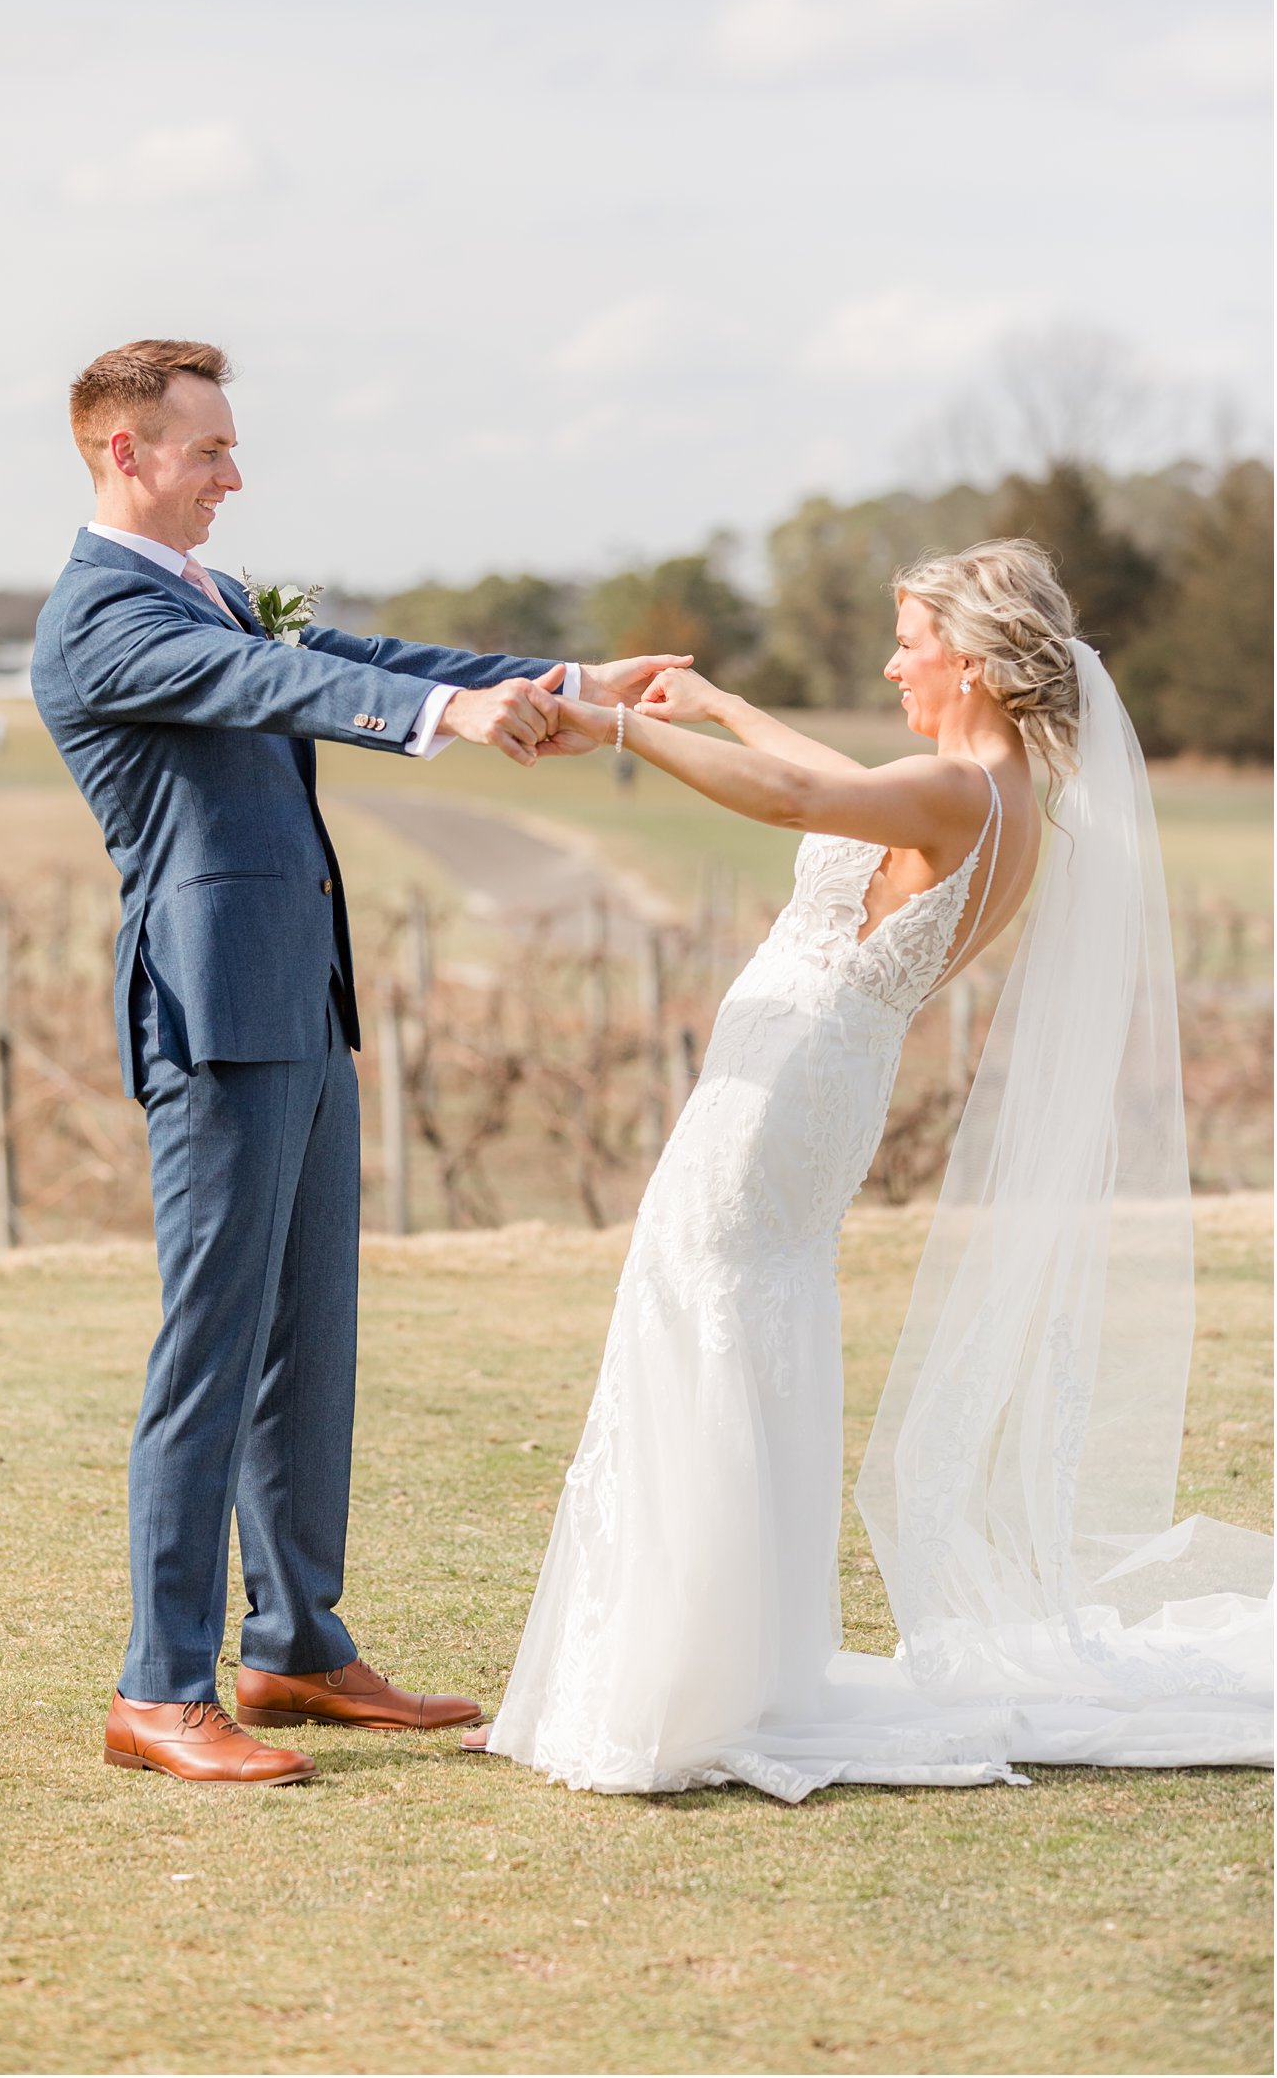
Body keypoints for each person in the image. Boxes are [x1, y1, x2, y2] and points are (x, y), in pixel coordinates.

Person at [464, 538, 1272, 1799]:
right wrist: (723, 706)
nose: (891, 663)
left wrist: (617, 730)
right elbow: (829, 779)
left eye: (908, 643)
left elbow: (792, 802)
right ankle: (717, 1663)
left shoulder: (958, 793)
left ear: (971, 659)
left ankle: (684, 1681)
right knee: (734, 1322)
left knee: (704, 1318)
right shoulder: (983, 790)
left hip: (779, 1096)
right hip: (817, 1085)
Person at [31, 339, 686, 1783]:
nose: (233, 472)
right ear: (125, 454)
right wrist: (448, 721)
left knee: (310, 1339)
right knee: (209, 1348)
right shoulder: (99, 618)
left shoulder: (201, 590)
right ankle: (157, 1686)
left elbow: (352, 660)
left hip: (304, 1005)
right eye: (209, 449)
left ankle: (297, 1647)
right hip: (213, 1017)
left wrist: (565, 680)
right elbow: (264, 680)